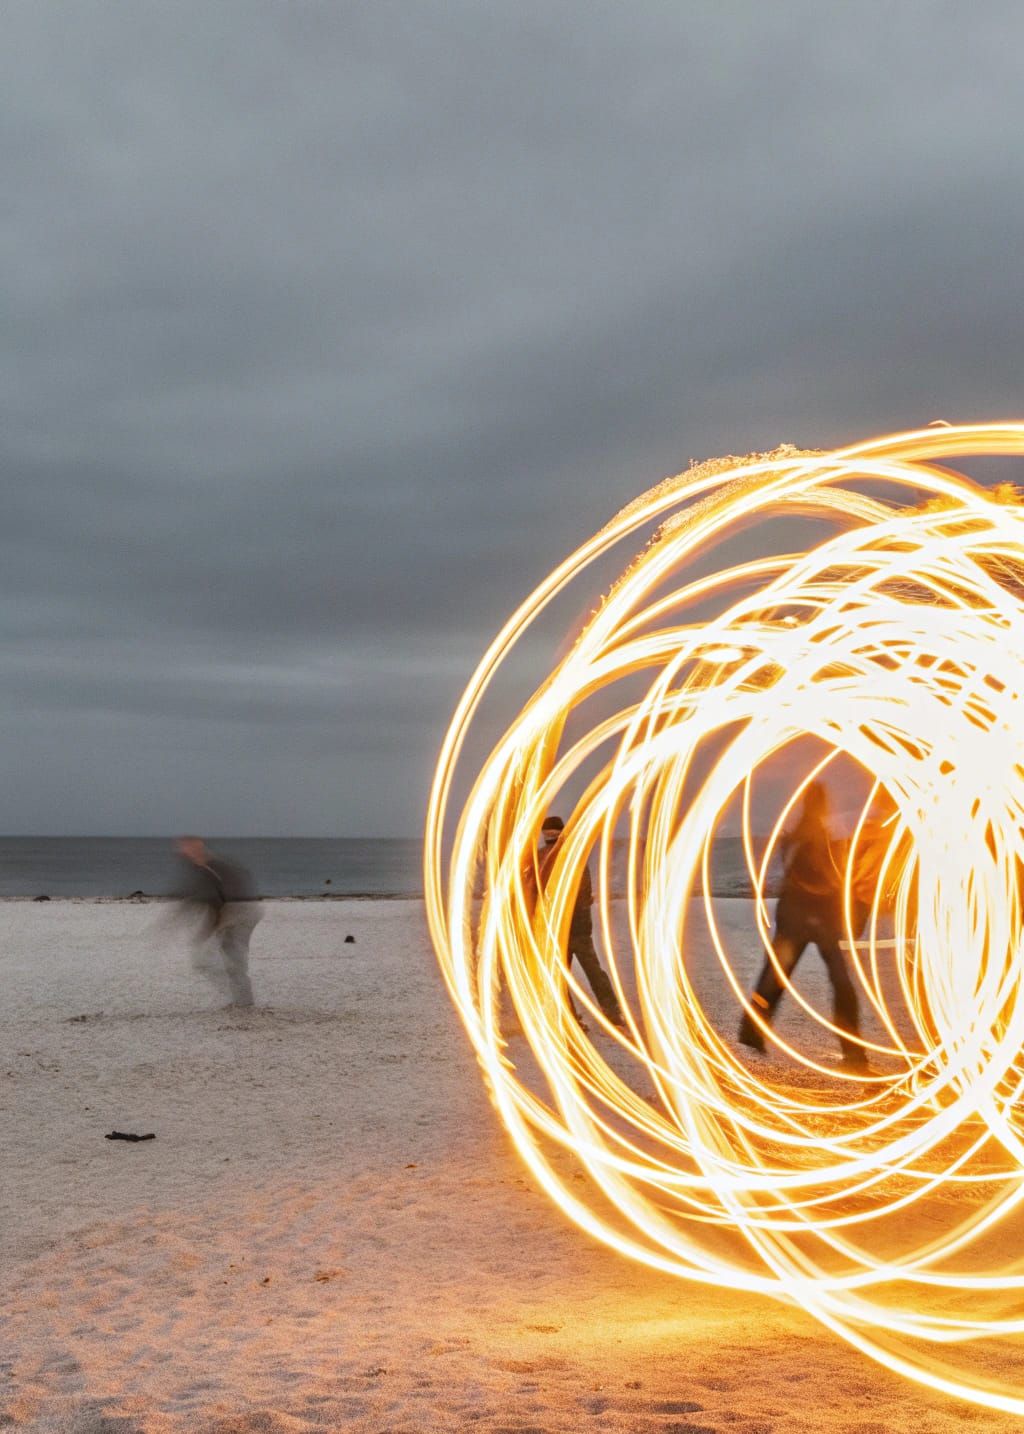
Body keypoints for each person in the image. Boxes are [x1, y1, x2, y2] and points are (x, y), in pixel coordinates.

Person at [738, 782, 868, 1072]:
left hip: (807, 918)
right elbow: (820, 875)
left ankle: (752, 1030)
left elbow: (823, 875)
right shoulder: (807, 837)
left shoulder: (807, 836)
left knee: (778, 977)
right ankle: (853, 1054)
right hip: (807, 919)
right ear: (818, 805)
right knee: (833, 982)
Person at [537, 816, 626, 1029]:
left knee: (559, 975)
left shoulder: (542, 858)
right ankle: (612, 1013)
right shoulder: (572, 857)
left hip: (556, 928)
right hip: (576, 927)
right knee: (593, 970)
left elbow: (536, 891)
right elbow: (585, 891)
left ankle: (569, 1018)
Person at [175, 837, 260, 1008]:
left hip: (241, 911)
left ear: (199, 848)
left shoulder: (213, 867)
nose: (184, 853)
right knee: (218, 959)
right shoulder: (204, 868)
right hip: (235, 911)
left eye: (188, 848)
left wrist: (207, 931)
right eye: (183, 850)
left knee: (231, 959)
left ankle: (243, 1001)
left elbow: (216, 901)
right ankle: (241, 999)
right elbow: (206, 899)